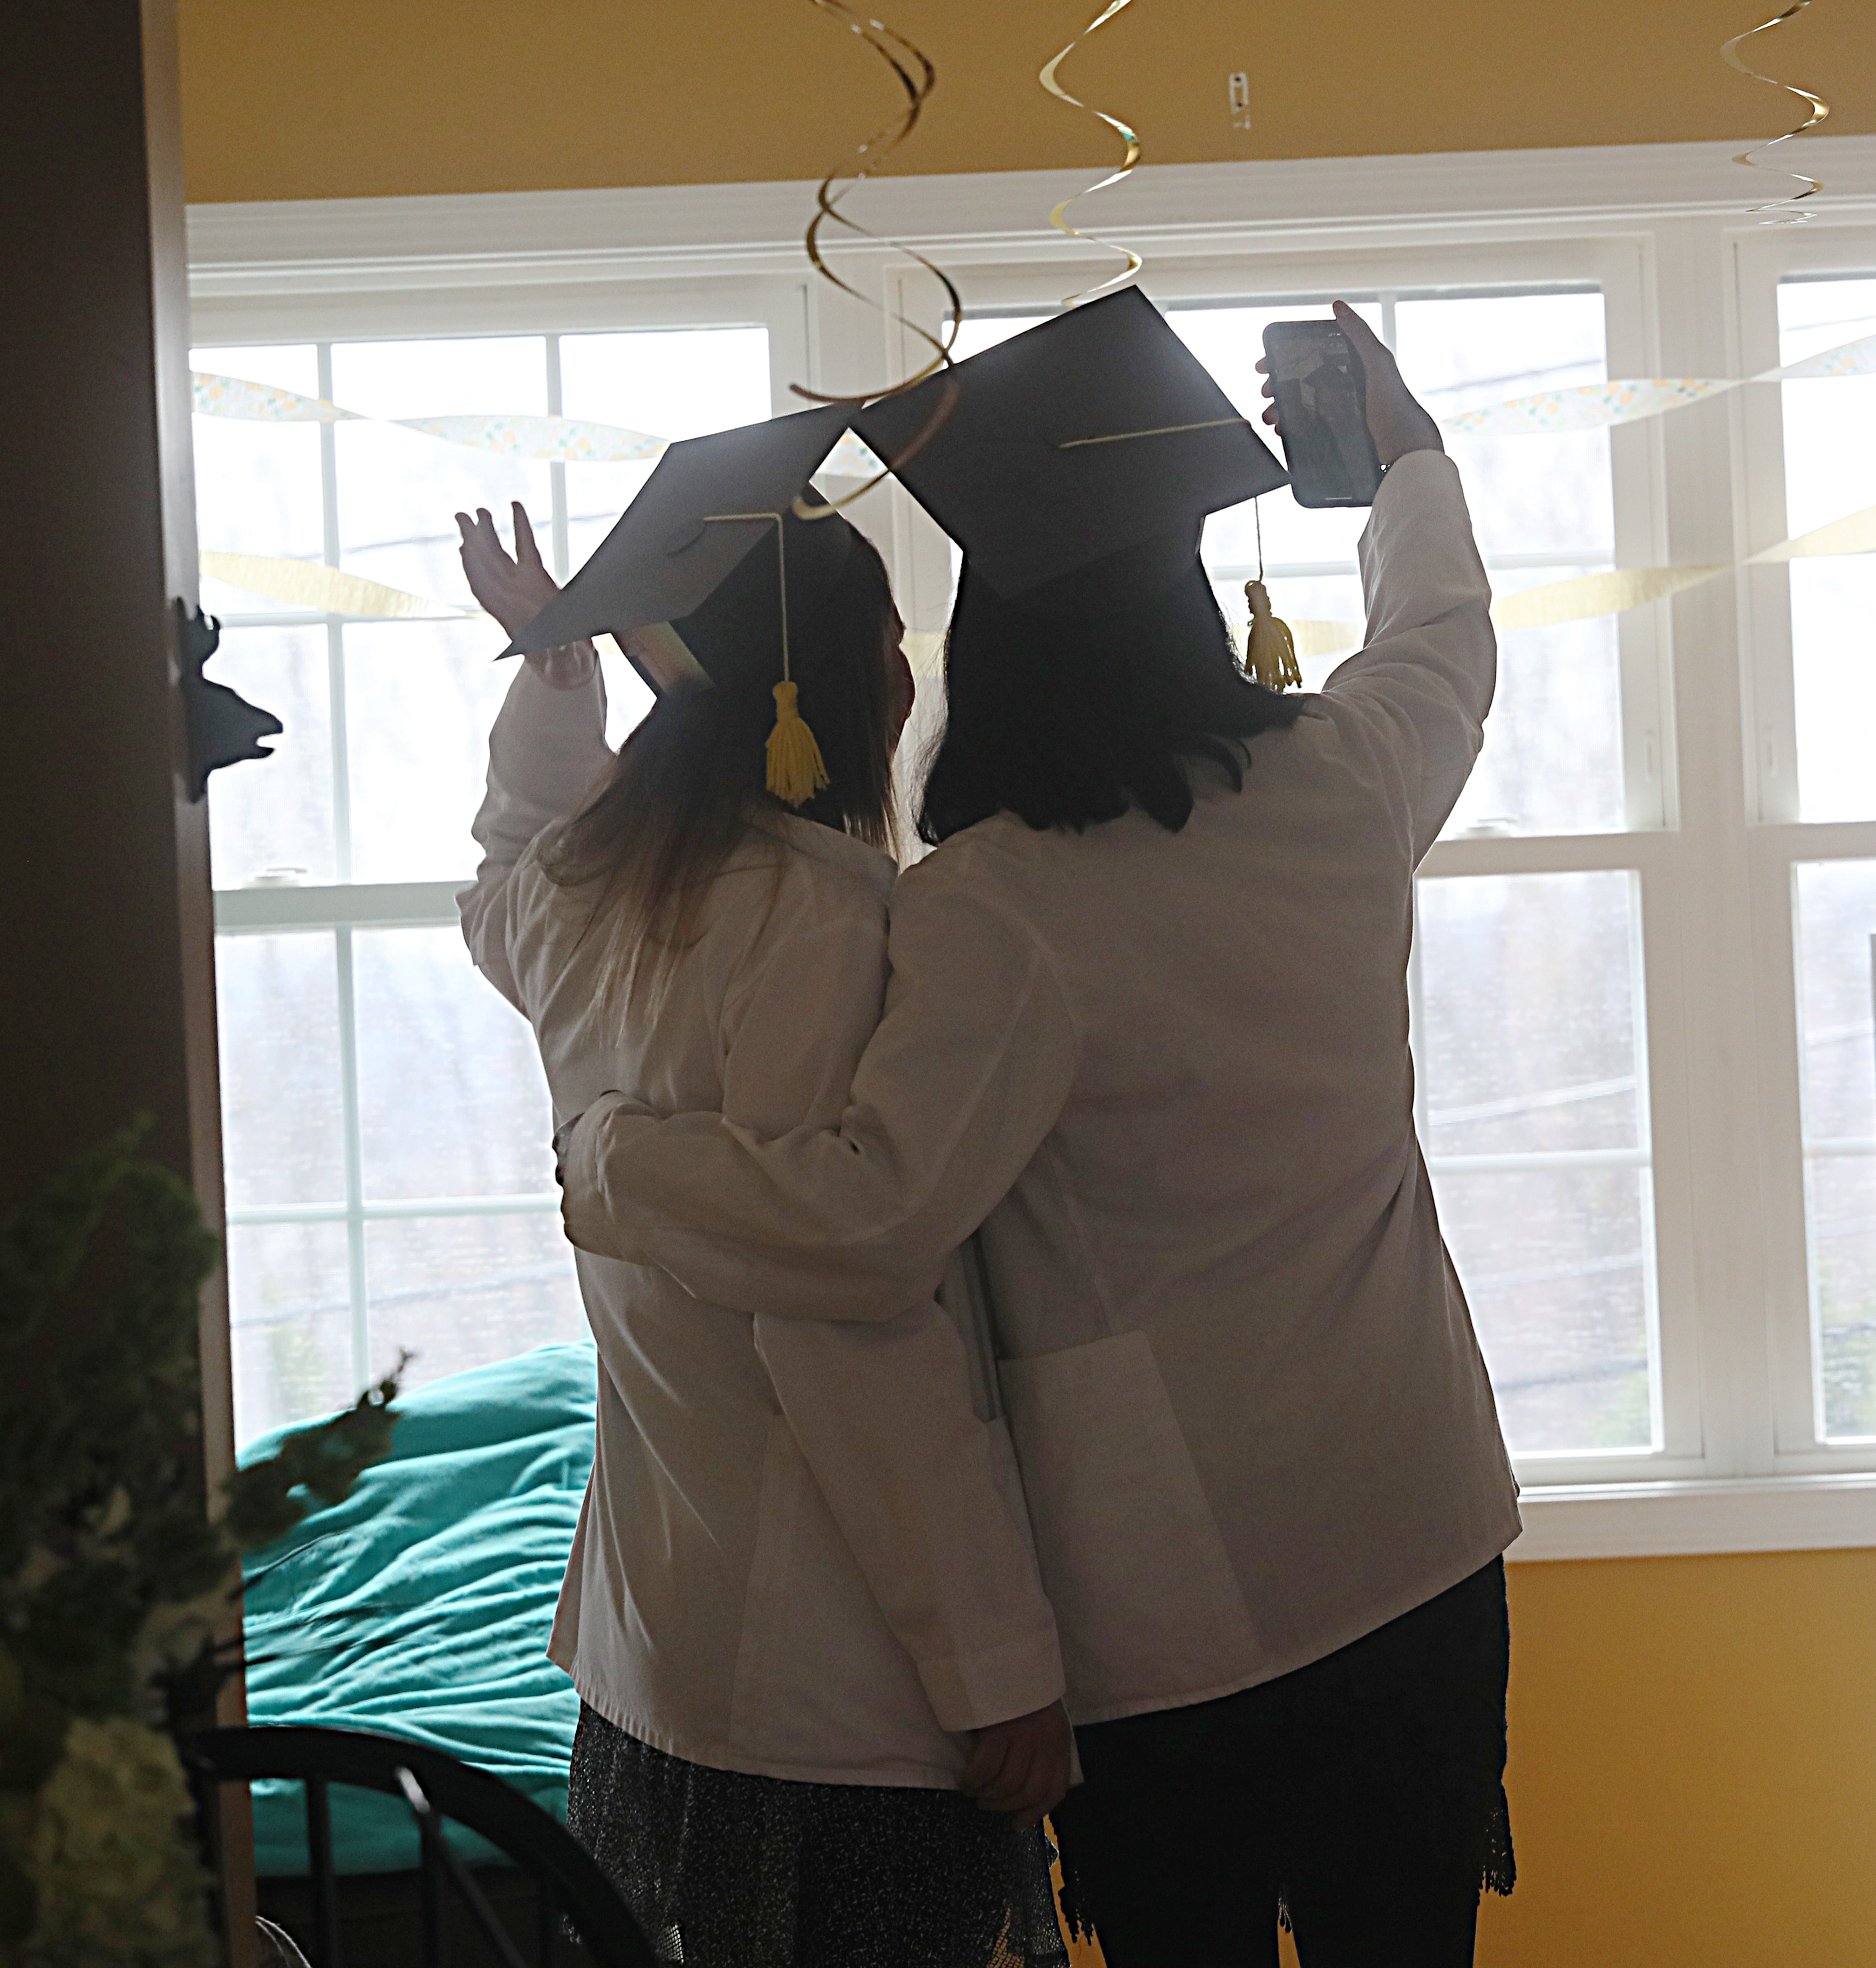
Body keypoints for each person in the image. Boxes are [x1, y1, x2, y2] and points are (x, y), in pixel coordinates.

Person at [552, 298, 1519, 1966]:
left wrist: (619, 1163)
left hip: (1168, 1595)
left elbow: (868, 1224)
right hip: (1418, 1525)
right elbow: (1442, 639)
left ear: (985, 640)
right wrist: (1406, 455)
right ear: (1200, 604)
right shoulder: (1347, 785)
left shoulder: (989, 906)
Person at [453, 487, 1073, 1968]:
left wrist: (557, 681)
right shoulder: (828, 918)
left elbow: (504, 860)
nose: (908, 676)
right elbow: (847, 1319)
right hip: (833, 1687)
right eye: (885, 639)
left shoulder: (576, 900)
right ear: (814, 684)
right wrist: (991, 1659)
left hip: (646, 1654)